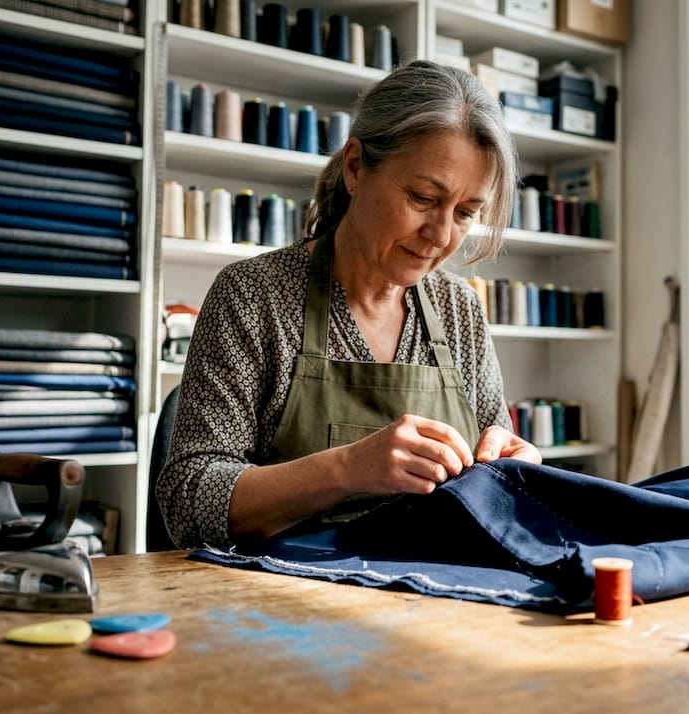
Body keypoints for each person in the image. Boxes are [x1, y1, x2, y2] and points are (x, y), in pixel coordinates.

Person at [158, 60, 541, 549]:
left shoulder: (459, 310)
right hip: (282, 588)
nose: (441, 235)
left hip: (429, 582)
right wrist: (349, 467)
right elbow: (188, 501)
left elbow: (497, 462)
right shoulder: (254, 296)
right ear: (356, 167)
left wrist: (516, 466)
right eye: (423, 198)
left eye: (466, 212)